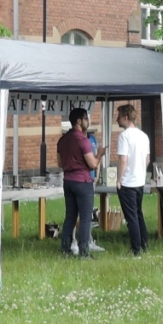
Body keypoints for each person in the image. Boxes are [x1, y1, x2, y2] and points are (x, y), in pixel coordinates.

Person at [58, 107, 98, 259]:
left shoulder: (62, 140)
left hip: (68, 181)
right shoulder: (83, 140)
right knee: (86, 217)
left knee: (70, 216)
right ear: (79, 121)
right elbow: (93, 164)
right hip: (83, 181)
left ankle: (65, 248)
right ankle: (84, 252)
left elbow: (59, 162)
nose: (88, 121)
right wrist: (99, 155)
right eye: (86, 118)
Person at [114, 104, 151, 258]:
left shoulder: (124, 136)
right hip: (140, 181)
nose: (117, 119)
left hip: (128, 182)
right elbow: (147, 159)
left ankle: (136, 250)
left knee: (131, 218)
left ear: (126, 117)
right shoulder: (144, 135)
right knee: (138, 213)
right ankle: (144, 244)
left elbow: (123, 160)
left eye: (119, 116)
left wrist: (118, 179)